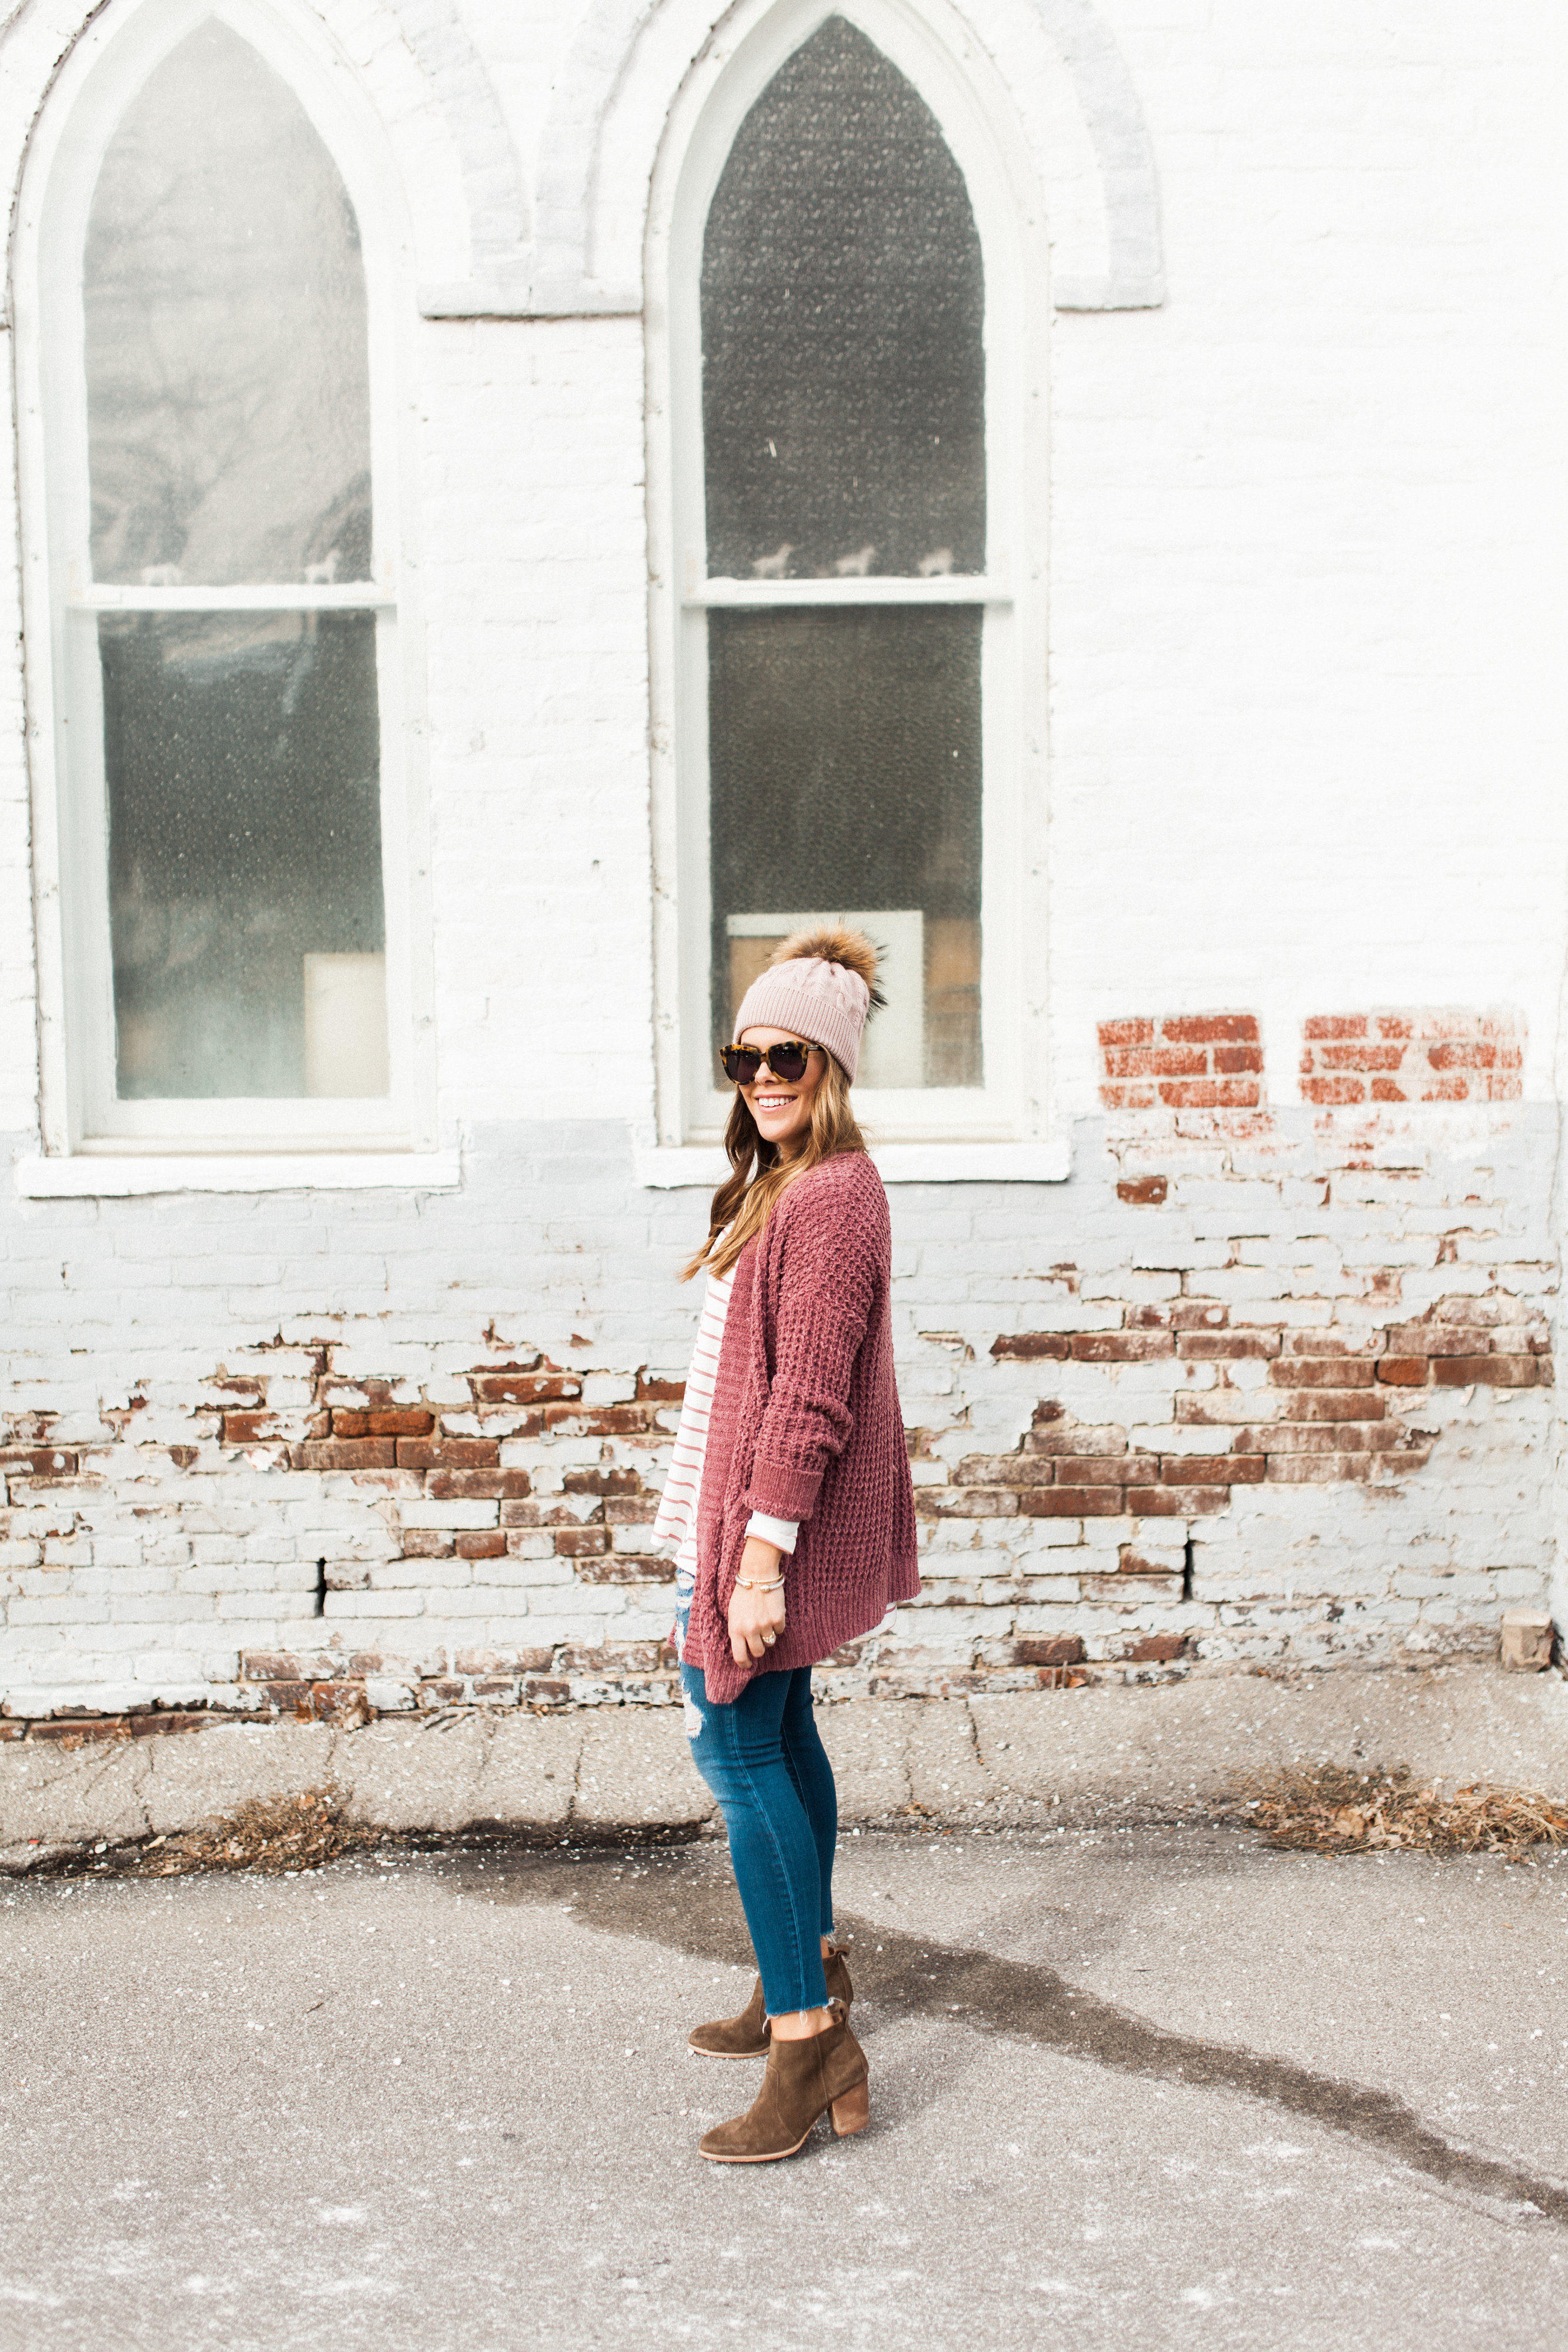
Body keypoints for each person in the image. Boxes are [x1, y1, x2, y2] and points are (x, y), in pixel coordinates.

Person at [651, 925, 920, 2163]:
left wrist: (756, 1557)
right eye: (744, 1055)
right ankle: (797, 1969)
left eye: (788, 1059)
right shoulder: (792, 1181)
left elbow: (806, 1396)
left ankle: (808, 2043)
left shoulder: (824, 1199)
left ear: (835, 1068)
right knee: (782, 1726)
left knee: (732, 1739)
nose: (760, 1077)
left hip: (766, 1524)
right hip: (750, 1513)